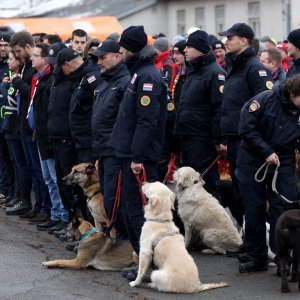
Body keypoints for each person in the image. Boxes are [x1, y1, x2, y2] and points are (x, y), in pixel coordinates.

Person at [109, 25, 167, 279]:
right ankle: (141, 260)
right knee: (130, 210)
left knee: (139, 212)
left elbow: (147, 121)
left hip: (139, 157)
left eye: (123, 47)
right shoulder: (137, 73)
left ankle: (150, 264)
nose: (120, 51)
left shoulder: (148, 77)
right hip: (128, 153)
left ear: (132, 48)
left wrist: (137, 157)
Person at [218, 23, 274, 256]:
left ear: (244, 41)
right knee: (240, 193)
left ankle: (257, 249)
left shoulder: (255, 68)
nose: (226, 42)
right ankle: (249, 243)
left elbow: (264, 105)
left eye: (231, 38)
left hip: (247, 140)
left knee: (251, 197)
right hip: (234, 137)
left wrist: (254, 139)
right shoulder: (235, 66)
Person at [236, 74, 300, 273]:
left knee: (284, 209)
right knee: (253, 209)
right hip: (253, 159)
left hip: (284, 160)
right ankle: (257, 257)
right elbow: (246, 128)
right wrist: (266, 151)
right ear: (293, 93)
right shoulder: (264, 100)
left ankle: (283, 258)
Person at [174, 30, 226, 200]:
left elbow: (219, 108)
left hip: (202, 139)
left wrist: (218, 140)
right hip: (187, 136)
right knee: (189, 186)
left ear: (200, 49)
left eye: (189, 46)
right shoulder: (193, 70)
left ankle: (215, 223)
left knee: (207, 184)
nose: (185, 50)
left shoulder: (214, 73)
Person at [7, 31, 51, 216]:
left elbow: (31, 94)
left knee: (40, 172)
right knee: (33, 169)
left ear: (27, 47)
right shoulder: (26, 66)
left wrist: (17, 82)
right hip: (23, 125)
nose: (17, 56)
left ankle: (45, 208)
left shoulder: (34, 69)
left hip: (32, 127)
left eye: (18, 51)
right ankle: (38, 206)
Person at [90, 40, 130, 238]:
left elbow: (125, 121)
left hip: (116, 152)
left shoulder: (124, 81)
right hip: (104, 151)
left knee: (116, 200)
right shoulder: (106, 81)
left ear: (117, 56)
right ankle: (115, 238)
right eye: (98, 57)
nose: (99, 62)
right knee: (109, 200)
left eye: (103, 57)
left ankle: (124, 243)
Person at [28, 42, 69, 227]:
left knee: (55, 178)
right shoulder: (42, 78)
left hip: (51, 136)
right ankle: (56, 214)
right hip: (42, 136)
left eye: (35, 55)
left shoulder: (52, 79)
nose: (32, 58)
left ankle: (63, 216)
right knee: (48, 179)